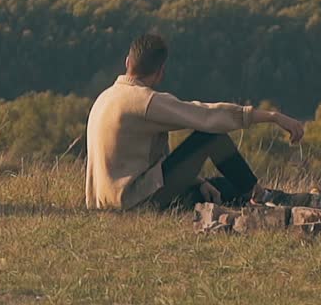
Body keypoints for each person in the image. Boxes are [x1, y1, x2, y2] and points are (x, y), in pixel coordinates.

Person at [85, 33, 308, 211]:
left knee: (215, 188)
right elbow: (207, 116)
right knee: (211, 137)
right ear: (161, 71)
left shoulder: (105, 97)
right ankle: (261, 197)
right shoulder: (143, 101)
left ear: (127, 62)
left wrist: (197, 181)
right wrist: (273, 117)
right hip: (130, 202)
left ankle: (279, 198)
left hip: (105, 200)